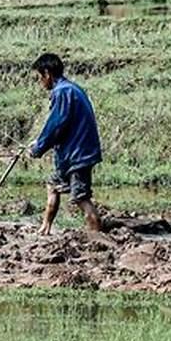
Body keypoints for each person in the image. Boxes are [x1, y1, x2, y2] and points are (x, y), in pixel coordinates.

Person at [29, 53, 102, 235]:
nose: (40, 82)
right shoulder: (71, 88)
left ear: (47, 74)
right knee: (53, 184)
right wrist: (39, 142)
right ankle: (45, 228)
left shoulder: (62, 92)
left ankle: (97, 237)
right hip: (75, 152)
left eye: (40, 77)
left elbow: (56, 125)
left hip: (77, 154)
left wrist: (38, 148)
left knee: (81, 198)